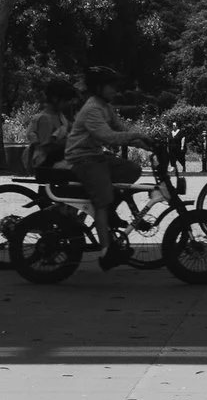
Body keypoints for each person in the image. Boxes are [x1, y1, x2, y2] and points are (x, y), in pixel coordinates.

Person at [64, 66, 156, 269]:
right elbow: (108, 137)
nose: (116, 90)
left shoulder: (105, 106)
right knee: (102, 201)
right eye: (111, 86)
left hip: (96, 156)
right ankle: (107, 250)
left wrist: (148, 145)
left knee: (132, 170)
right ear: (98, 87)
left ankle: (108, 209)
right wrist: (135, 136)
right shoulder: (92, 110)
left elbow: (120, 130)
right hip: (83, 159)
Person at [24, 77, 78, 176]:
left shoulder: (59, 115)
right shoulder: (45, 119)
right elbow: (47, 148)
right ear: (55, 99)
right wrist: (70, 141)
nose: (69, 104)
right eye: (66, 100)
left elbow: (72, 128)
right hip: (47, 163)